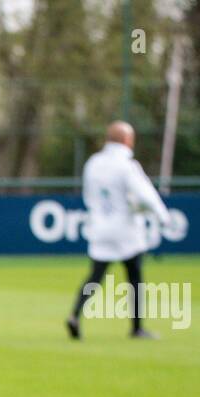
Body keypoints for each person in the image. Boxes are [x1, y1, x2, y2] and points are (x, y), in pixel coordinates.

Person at [66, 120, 170, 340]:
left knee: (94, 277)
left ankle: (75, 315)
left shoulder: (93, 163)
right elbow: (145, 194)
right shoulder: (127, 165)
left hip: (100, 228)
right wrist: (163, 216)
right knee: (135, 278)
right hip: (126, 230)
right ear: (127, 140)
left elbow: (88, 195)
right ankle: (136, 328)